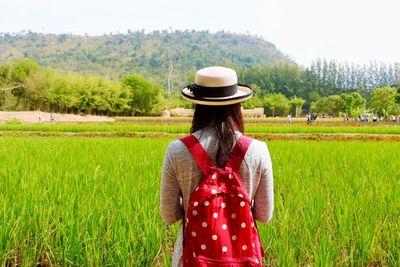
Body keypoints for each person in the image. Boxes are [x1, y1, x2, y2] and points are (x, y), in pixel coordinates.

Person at [160, 66, 274, 266]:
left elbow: (169, 215)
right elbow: (264, 215)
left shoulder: (177, 150)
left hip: (191, 258)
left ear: (197, 106)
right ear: (237, 104)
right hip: (242, 259)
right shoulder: (258, 150)